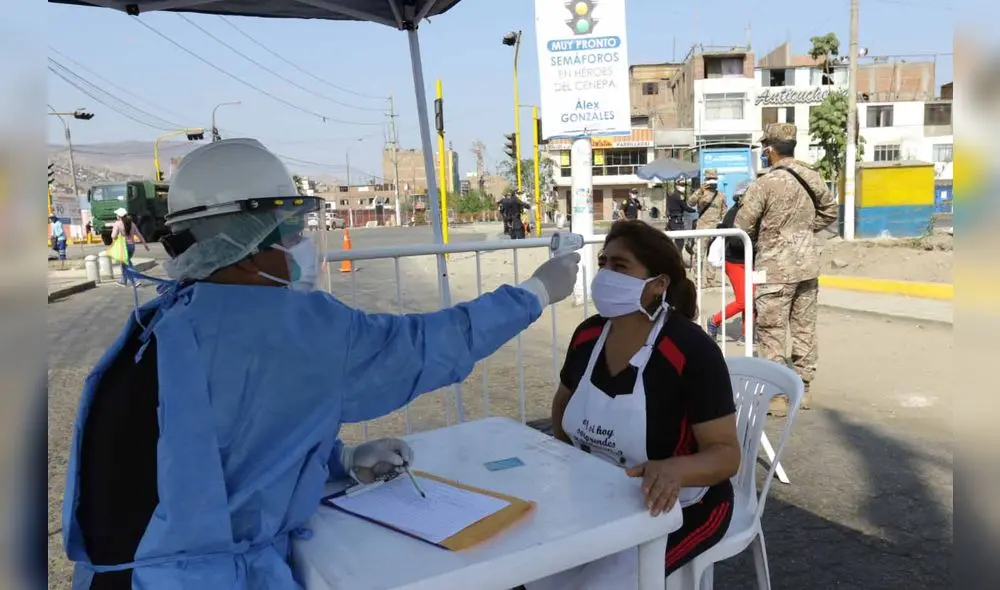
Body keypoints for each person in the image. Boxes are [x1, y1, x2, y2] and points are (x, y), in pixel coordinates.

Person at [61, 138, 581, 589]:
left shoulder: (169, 317)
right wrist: (535, 292)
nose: (299, 244)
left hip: (117, 575)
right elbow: (425, 347)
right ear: (243, 242)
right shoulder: (292, 327)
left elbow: (222, 449)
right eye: (288, 228)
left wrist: (337, 460)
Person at [536, 220, 740, 588]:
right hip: (601, 495)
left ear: (658, 284)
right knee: (529, 568)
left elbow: (725, 455)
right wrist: (568, 467)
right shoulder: (588, 336)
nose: (605, 274)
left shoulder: (690, 351)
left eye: (621, 266)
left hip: (682, 506)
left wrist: (676, 470)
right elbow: (563, 405)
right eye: (603, 263)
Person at [735, 123, 839, 416]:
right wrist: (804, 232)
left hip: (774, 268)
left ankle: (777, 397)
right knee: (805, 328)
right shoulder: (812, 176)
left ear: (769, 149)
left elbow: (742, 225)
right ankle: (803, 390)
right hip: (807, 265)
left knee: (771, 331)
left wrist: (771, 238)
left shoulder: (765, 184)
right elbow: (831, 210)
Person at [707, 180, 754, 344]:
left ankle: (746, 334)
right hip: (735, 261)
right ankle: (714, 321)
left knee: (752, 299)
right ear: (741, 196)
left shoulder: (753, 212)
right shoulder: (734, 213)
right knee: (743, 300)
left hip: (750, 260)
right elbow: (735, 242)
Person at [687, 169, 727, 286]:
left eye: (714, 179)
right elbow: (690, 203)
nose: (712, 182)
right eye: (710, 179)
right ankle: (698, 280)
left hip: (715, 228)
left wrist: (723, 225)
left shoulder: (720, 195)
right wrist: (700, 191)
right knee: (698, 254)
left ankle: (711, 279)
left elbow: (724, 211)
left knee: (713, 255)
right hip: (702, 228)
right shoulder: (701, 192)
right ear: (706, 180)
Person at [110, 207, 149, 287]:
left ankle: (136, 280)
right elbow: (139, 234)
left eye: (117, 215)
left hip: (123, 247)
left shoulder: (117, 224)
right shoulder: (132, 224)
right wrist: (145, 244)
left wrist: (116, 237)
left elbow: (113, 236)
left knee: (127, 264)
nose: (116, 216)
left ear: (119, 216)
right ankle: (123, 281)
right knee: (124, 263)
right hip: (132, 246)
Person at [665, 179, 696, 256]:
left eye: (684, 185)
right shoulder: (679, 196)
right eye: (682, 185)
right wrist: (695, 211)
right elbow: (686, 207)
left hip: (671, 221)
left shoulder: (671, 194)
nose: (683, 187)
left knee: (672, 242)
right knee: (679, 242)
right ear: (677, 185)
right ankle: (679, 260)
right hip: (677, 222)